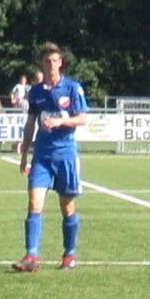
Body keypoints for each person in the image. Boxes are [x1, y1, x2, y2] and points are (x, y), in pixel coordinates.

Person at [12, 42, 89, 272]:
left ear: (61, 62)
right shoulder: (35, 92)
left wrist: (60, 121)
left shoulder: (72, 88)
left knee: (67, 207)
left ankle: (69, 255)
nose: (52, 65)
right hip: (42, 156)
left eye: (55, 61)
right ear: (42, 64)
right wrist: (25, 152)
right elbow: (30, 124)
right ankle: (31, 256)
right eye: (47, 61)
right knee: (34, 203)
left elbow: (82, 118)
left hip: (65, 154)